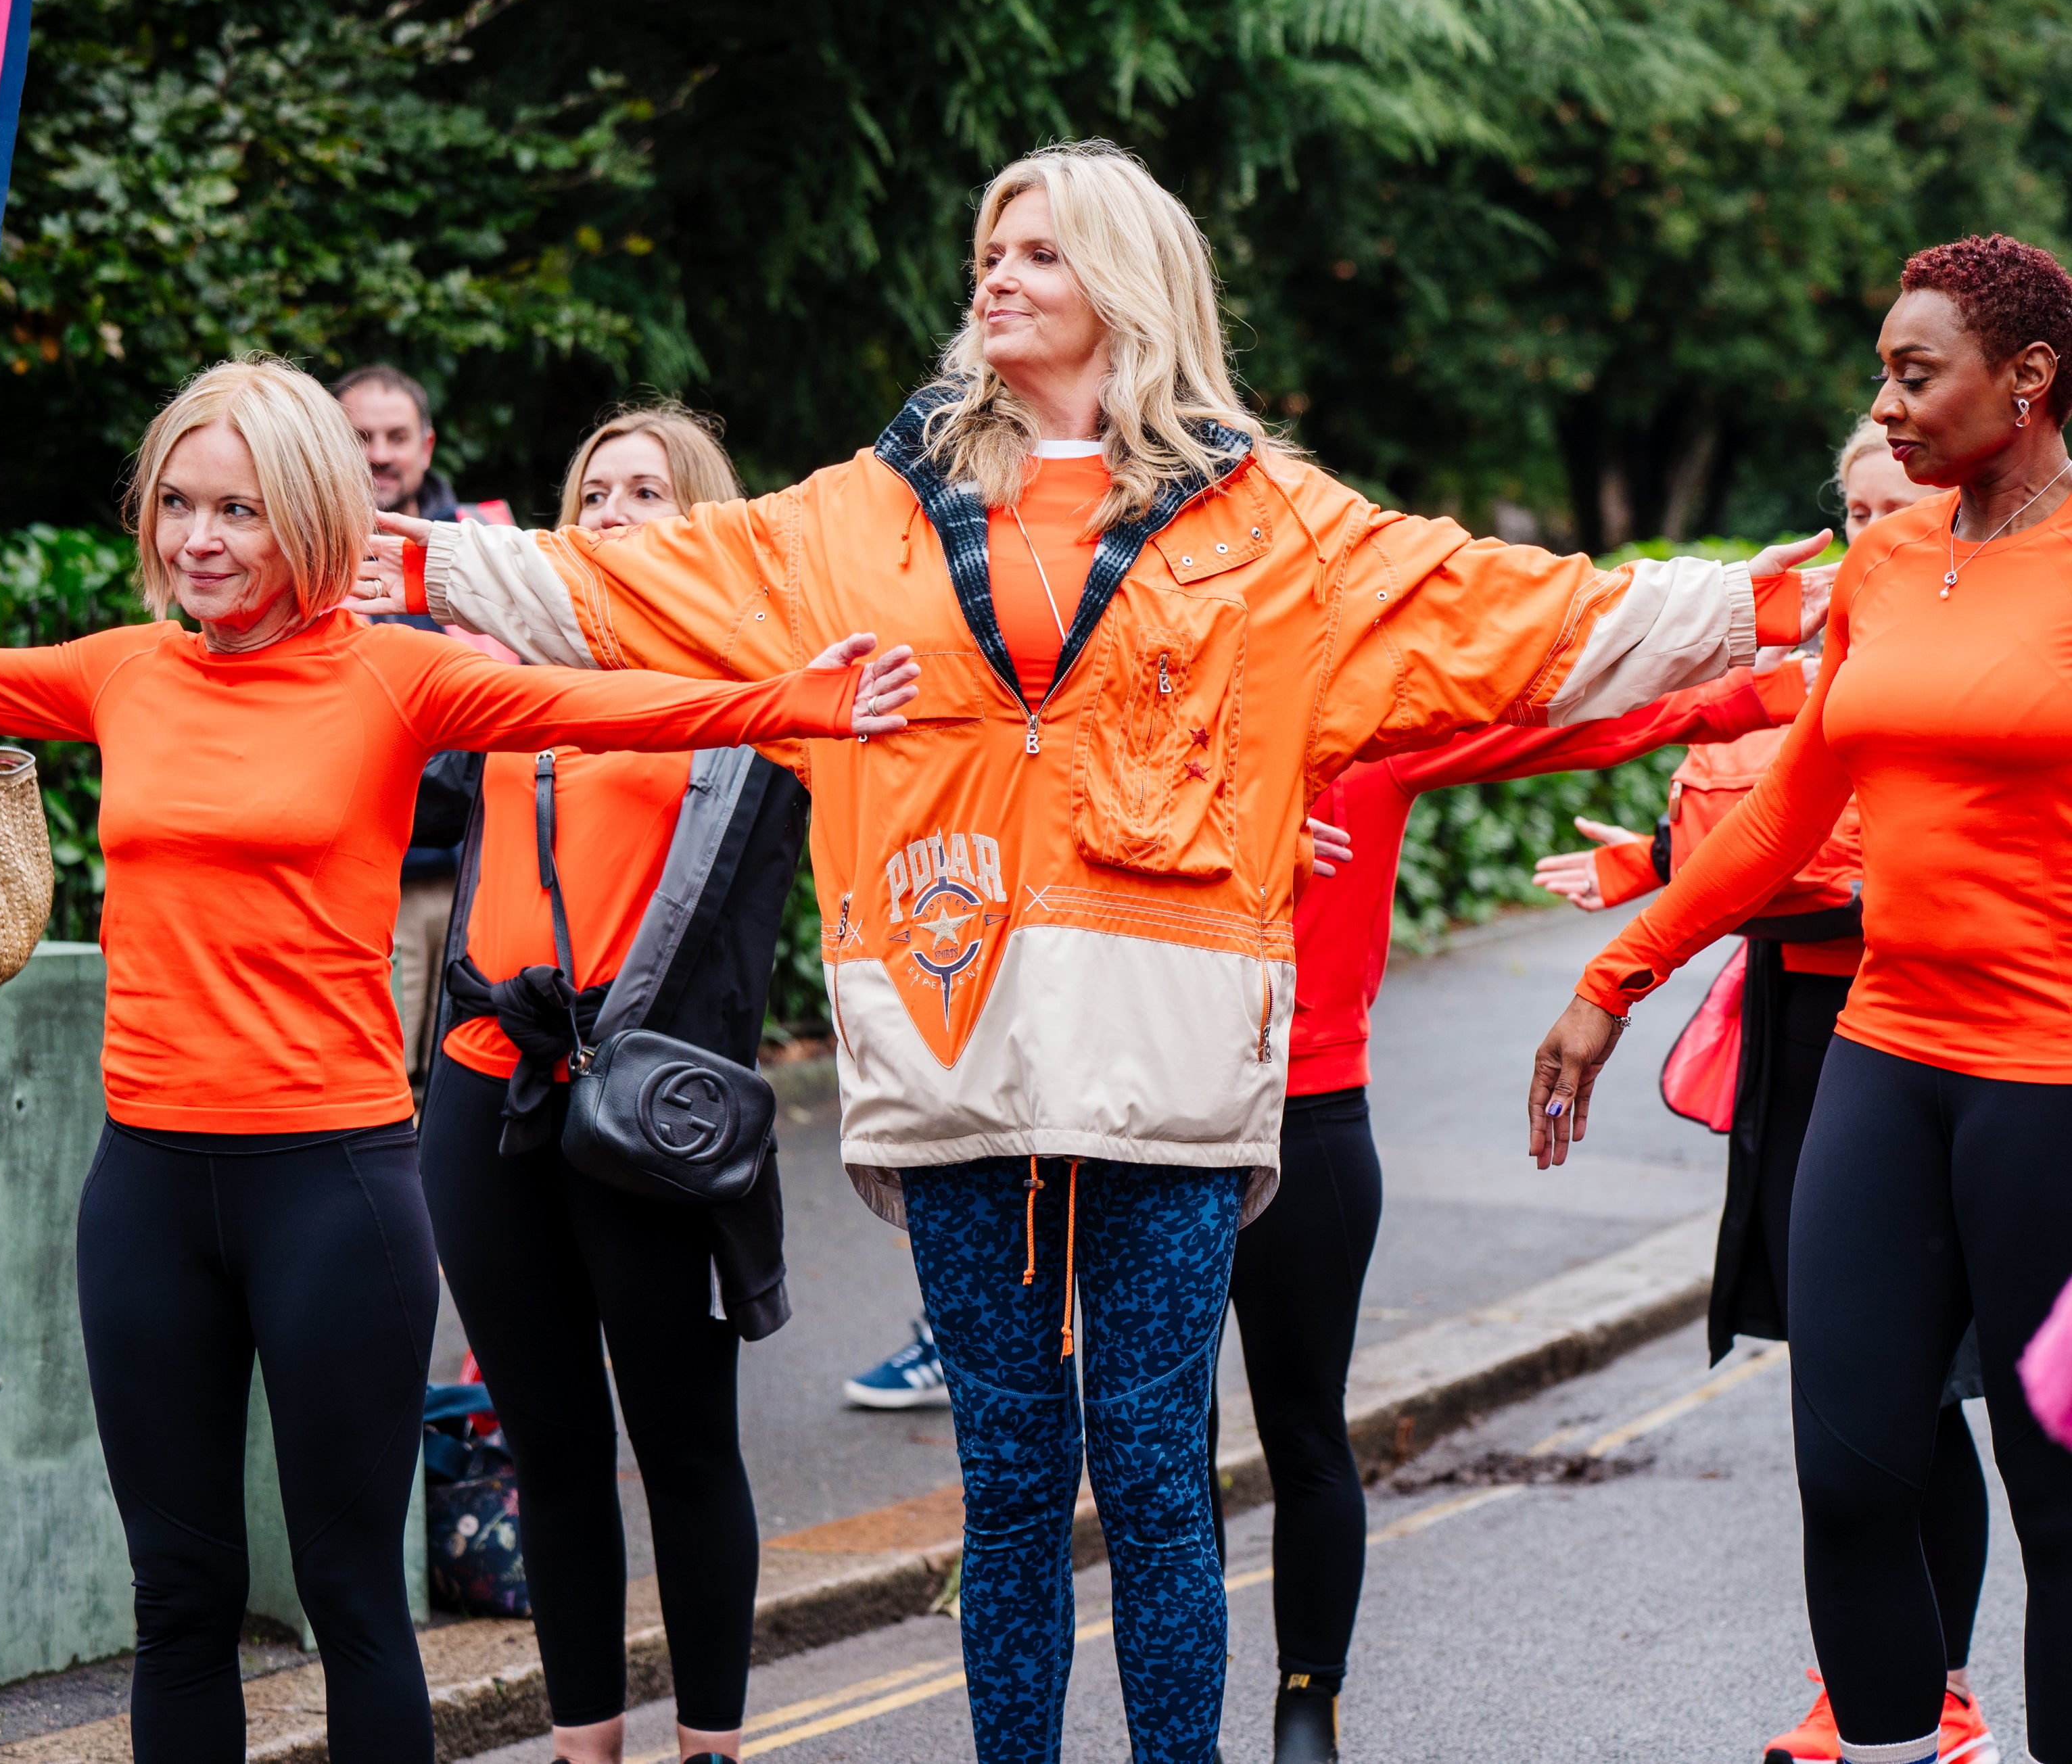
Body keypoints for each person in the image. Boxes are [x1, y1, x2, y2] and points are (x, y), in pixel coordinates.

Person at [354, 139, 1817, 1761]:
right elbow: (631, 587)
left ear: (1125, 284)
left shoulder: (1275, 527)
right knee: (1008, 1470)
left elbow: (1512, 618)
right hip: (956, 1051)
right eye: (988, 245)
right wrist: (415, 560)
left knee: (1149, 1465)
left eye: (1037, 253)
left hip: (1166, 1062)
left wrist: (1753, 611)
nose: (994, 273)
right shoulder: (868, 511)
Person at [0, 356, 918, 1764]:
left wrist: (797, 698)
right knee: (181, 1599)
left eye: (237, 511)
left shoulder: (395, 674)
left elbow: (609, 708)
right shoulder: (124, 669)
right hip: (147, 1192)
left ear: (310, 521)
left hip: (332, 1190)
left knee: (350, 1598)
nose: (198, 540)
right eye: (177, 505)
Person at [1530, 233, 2072, 1764]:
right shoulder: (1888, 566)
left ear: (2026, 381)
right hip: (1885, 1058)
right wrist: (1614, 977)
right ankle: (1897, 1750)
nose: (1884, 406)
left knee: (2056, 1495)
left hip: (2052, 1089)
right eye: (1881, 374)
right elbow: (1779, 814)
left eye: (1917, 373)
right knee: (1849, 1465)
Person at [1227, 644, 1823, 1764]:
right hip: (1146, 1126)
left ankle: (1308, 1709)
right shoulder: (1119, 729)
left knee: (1304, 1431)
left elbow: (1569, 709)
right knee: (1153, 1455)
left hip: (1308, 1112)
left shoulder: (1362, 719)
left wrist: (1767, 668)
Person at [415, 404, 795, 1764]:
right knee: (550, 1448)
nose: (615, 510)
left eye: (648, 490)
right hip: (483, 1091)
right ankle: (586, 1747)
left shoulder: (753, 694)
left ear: (705, 522)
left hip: (652, 1120)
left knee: (685, 1448)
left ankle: (709, 1749)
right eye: (595, 491)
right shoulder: (500, 673)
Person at [335, 362, 515, 1082]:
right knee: (378, 1078)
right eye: (360, 437)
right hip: (361, 871)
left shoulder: (487, 546)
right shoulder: (306, 551)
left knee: (466, 1080)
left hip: (480, 867)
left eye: (395, 436)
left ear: (427, 446)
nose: (379, 453)